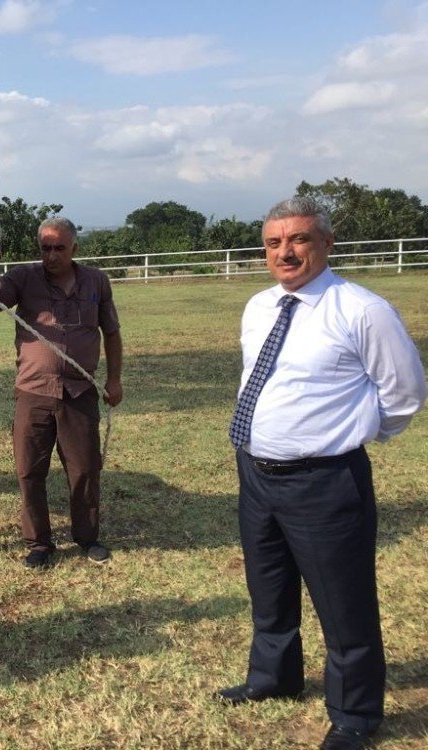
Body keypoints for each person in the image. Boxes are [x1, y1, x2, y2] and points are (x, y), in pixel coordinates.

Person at [218, 197, 426, 750]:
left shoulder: (361, 309)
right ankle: (274, 678)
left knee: (343, 601)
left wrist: (350, 435)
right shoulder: (259, 306)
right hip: (256, 474)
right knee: (269, 588)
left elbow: (404, 392)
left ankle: (355, 713)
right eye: (273, 242)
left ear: (326, 244)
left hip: (325, 481)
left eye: (299, 239)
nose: (285, 252)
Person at [0, 217, 123, 569]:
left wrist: (114, 380)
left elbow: (112, 333)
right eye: (45, 248)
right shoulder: (23, 278)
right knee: (29, 470)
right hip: (34, 393)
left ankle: (87, 537)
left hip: (80, 392)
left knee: (85, 469)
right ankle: (39, 543)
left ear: (74, 248)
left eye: (59, 248)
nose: (51, 255)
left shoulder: (96, 282)